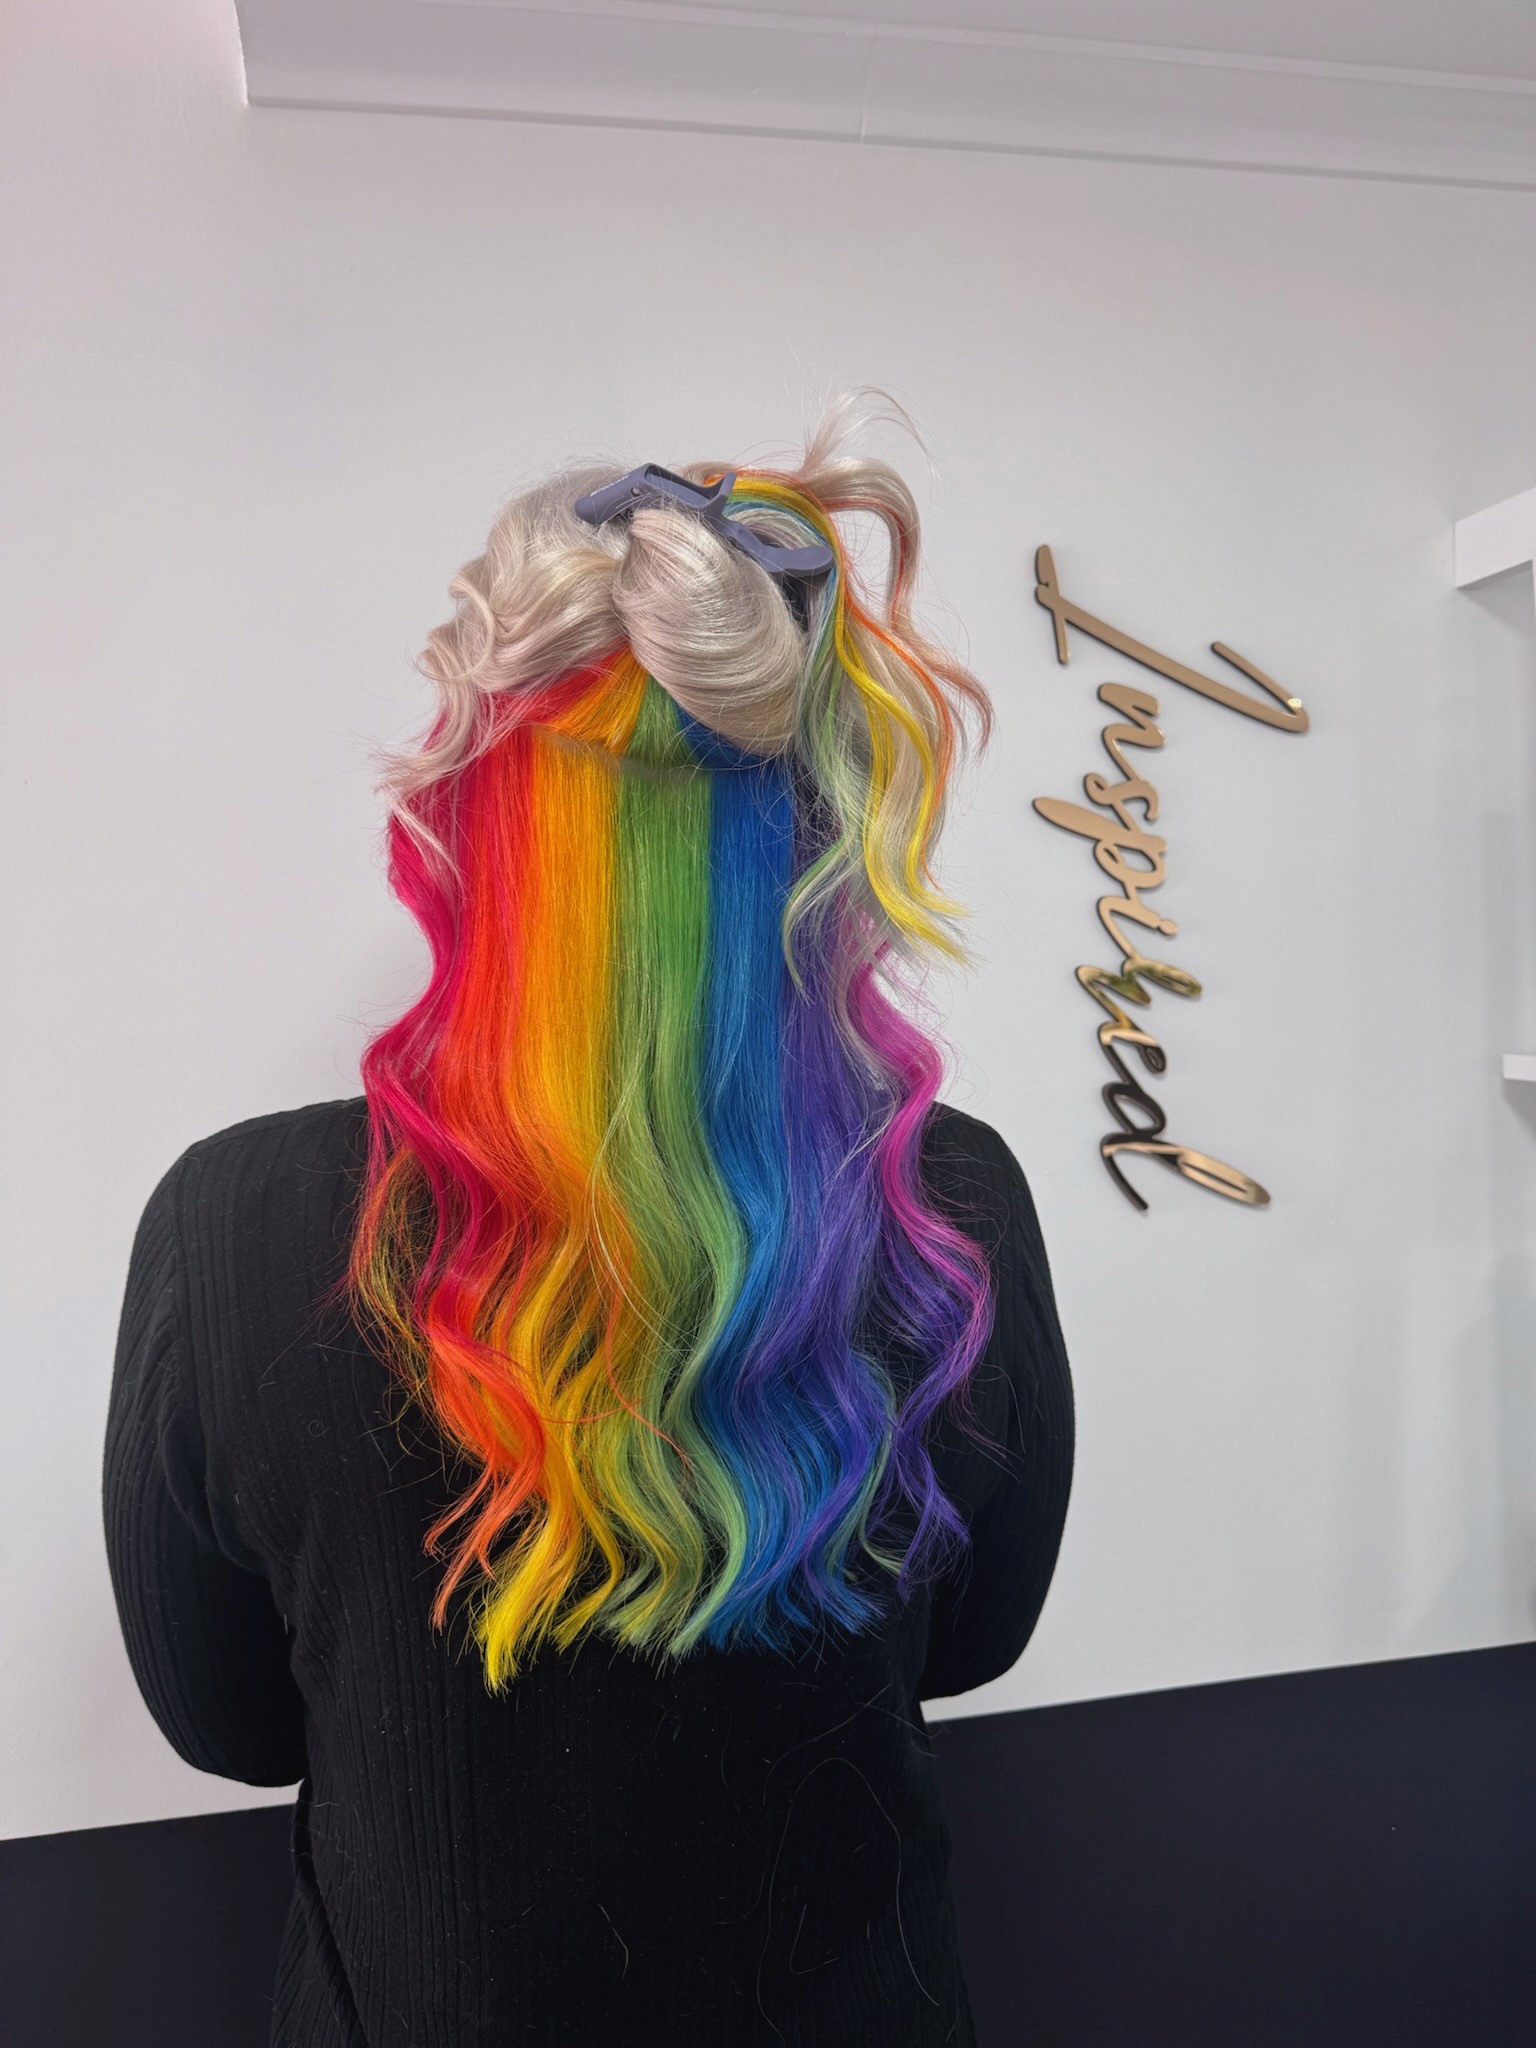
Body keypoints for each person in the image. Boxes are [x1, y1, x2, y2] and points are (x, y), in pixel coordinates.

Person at [103, 401, 1075, 2047]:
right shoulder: (950, 1202)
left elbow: (227, 1725)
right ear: (827, 824)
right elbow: (969, 1646)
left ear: (465, 806)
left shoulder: (232, 1227)